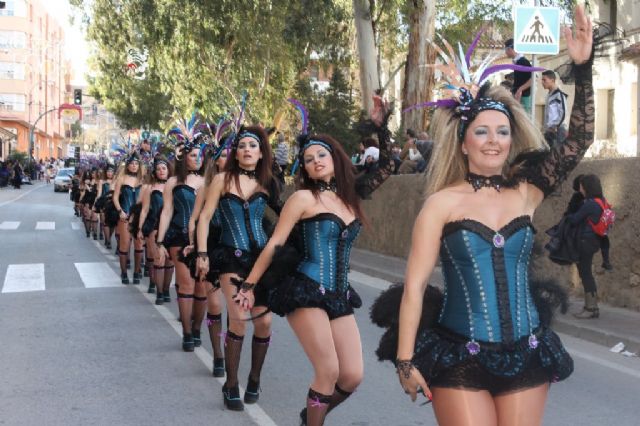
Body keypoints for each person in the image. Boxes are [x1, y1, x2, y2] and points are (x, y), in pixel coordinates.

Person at [374, 6, 592, 425]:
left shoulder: (528, 192)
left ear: (513, 140)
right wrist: (405, 360)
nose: (494, 141)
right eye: (482, 131)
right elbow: (415, 288)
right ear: (463, 143)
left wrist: (582, 69)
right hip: (459, 357)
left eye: (503, 131)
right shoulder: (441, 204)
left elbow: (579, 138)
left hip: (527, 352)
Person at [229, 96, 392, 426]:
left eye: (321, 154)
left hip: (339, 294)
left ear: (335, 158)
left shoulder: (350, 197)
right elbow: (275, 243)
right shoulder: (303, 198)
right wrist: (249, 284)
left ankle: (311, 417)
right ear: (302, 168)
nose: (316, 161)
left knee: (352, 377)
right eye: (308, 159)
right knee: (328, 370)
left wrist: (381, 129)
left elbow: (387, 167)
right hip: (305, 288)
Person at [195, 125, 281, 411]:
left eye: (252, 146)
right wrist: (203, 253)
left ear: (260, 153)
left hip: (260, 258)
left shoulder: (268, 181)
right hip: (231, 256)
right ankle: (231, 383)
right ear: (236, 152)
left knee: (265, 322)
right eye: (242, 145)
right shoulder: (222, 179)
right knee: (239, 318)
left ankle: (254, 377)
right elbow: (205, 218)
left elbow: (286, 216)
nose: (246, 149)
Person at [156, 135, 207, 352]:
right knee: (186, 285)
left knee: (202, 287)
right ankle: (186, 333)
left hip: (204, 238)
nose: (198, 159)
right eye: (193, 155)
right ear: (184, 158)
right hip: (178, 235)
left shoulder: (208, 182)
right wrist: (159, 240)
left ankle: (197, 328)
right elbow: (167, 212)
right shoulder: (173, 182)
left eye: (201, 155)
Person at [567, 174, 608, 319]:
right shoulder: (601, 201)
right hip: (593, 241)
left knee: (585, 274)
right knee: (586, 273)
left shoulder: (590, 204)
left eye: (582, 186)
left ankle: (591, 308)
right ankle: (591, 306)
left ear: (587, 187)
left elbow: (574, 219)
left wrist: (568, 215)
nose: (580, 189)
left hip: (585, 242)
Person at [136, 156, 172, 298]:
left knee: (170, 262)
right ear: (154, 172)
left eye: (164, 168)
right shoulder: (149, 188)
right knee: (157, 259)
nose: (161, 171)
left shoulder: (175, 185)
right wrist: (139, 228)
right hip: (154, 226)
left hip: (172, 227)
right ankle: (159, 291)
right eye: (158, 169)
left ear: (168, 170)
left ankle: (166, 289)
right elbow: (144, 210)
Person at [112, 153, 143, 284]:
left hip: (139, 217)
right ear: (128, 165)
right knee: (125, 245)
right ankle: (124, 273)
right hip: (125, 215)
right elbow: (115, 197)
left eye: (136, 164)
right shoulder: (122, 179)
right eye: (132, 164)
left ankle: (136, 272)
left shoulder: (143, 180)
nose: (134, 166)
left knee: (139, 245)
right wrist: (120, 211)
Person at [505, 38, 533, 114]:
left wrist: (520, 89)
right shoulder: (517, 62)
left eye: (505, 49)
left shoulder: (523, 61)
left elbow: (533, 79)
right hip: (518, 97)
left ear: (510, 49)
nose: (505, 52)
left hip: (524, 97)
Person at [541, 70, 569, 148]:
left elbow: (564, 113)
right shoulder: (549, 95)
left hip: (558, 130)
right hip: (549, 130)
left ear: (552, 80)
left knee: (558, 155)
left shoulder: (559, 95)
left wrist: (555, 126)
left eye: (544, 80)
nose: (542, 82)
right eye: (542, 80)